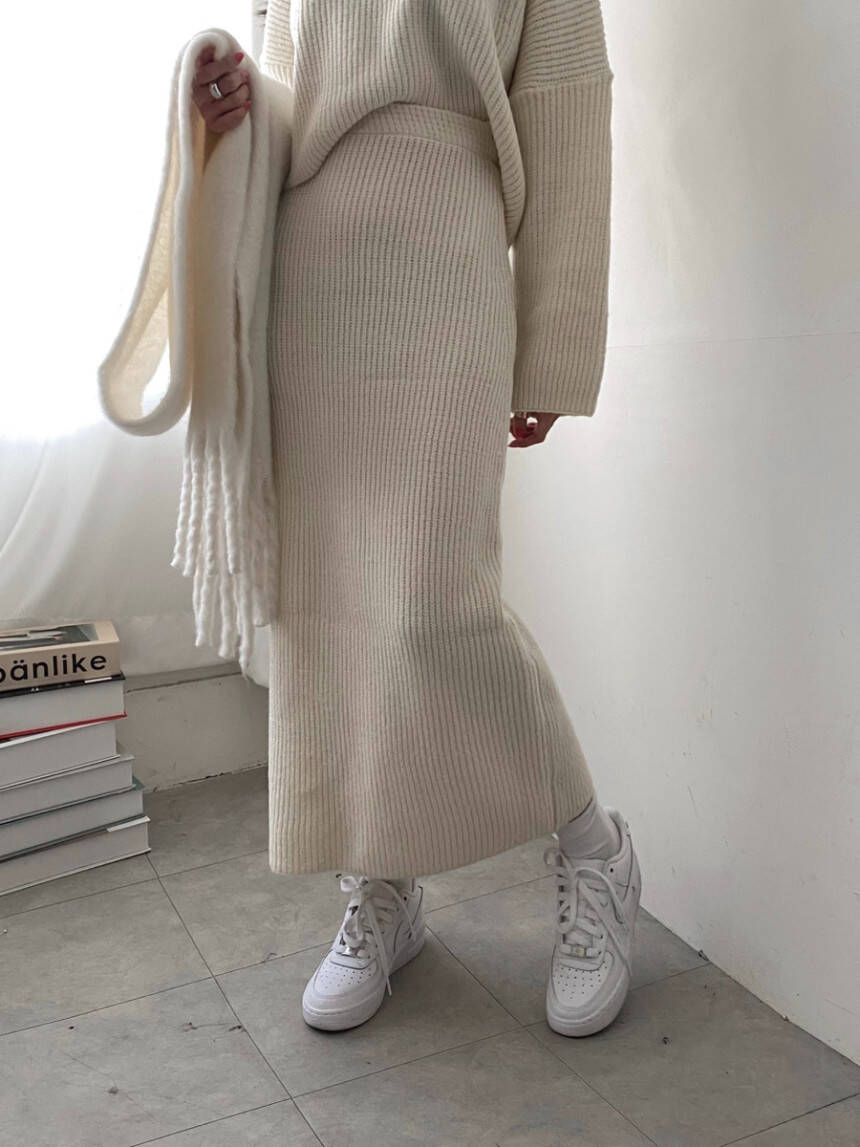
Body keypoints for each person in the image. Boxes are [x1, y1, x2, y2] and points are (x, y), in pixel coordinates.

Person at [191, 0, 641, 1040]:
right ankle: (380, 879)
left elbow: (567, 111)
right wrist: (235, 105)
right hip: (307, 266)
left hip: (448, 241)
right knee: (328, 601)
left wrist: (553, 344)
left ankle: (595, 852)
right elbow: (290, 96)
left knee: (435, 597)